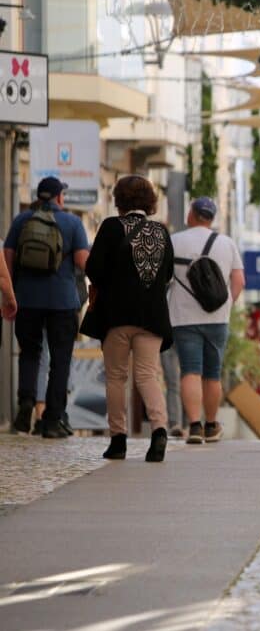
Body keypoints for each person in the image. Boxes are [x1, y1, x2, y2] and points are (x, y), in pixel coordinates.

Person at [84, 175, 175, 462]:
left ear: (119, 200)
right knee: (148, 375)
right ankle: (159, 432)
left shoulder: (111, 227)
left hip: (117, 315)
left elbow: (93, 268)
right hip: (153, 317)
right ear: (149, 201)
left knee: (116, 377)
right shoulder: (161, 232)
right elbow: (169, 274)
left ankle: (118, 441)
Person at [4, 177, 89, 438]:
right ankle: (52, 419)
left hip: (27, 299)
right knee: (60, 359)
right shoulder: (73, 222)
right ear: (59, 197)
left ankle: (26, 402)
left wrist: (11, 295)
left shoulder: (21, 220)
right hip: (62, 302)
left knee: (30, 353)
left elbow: (7, 261)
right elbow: (83, 262)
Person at [169, 197, 245, 445]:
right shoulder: (226, 243)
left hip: (183, 317)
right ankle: (211, 425)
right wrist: (227, 306)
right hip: (217, 319)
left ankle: (194, 426)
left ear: (191, 214)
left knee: (190, 370)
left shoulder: (175, 241)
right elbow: (239, 281)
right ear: (211, 218)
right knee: (212, 374)